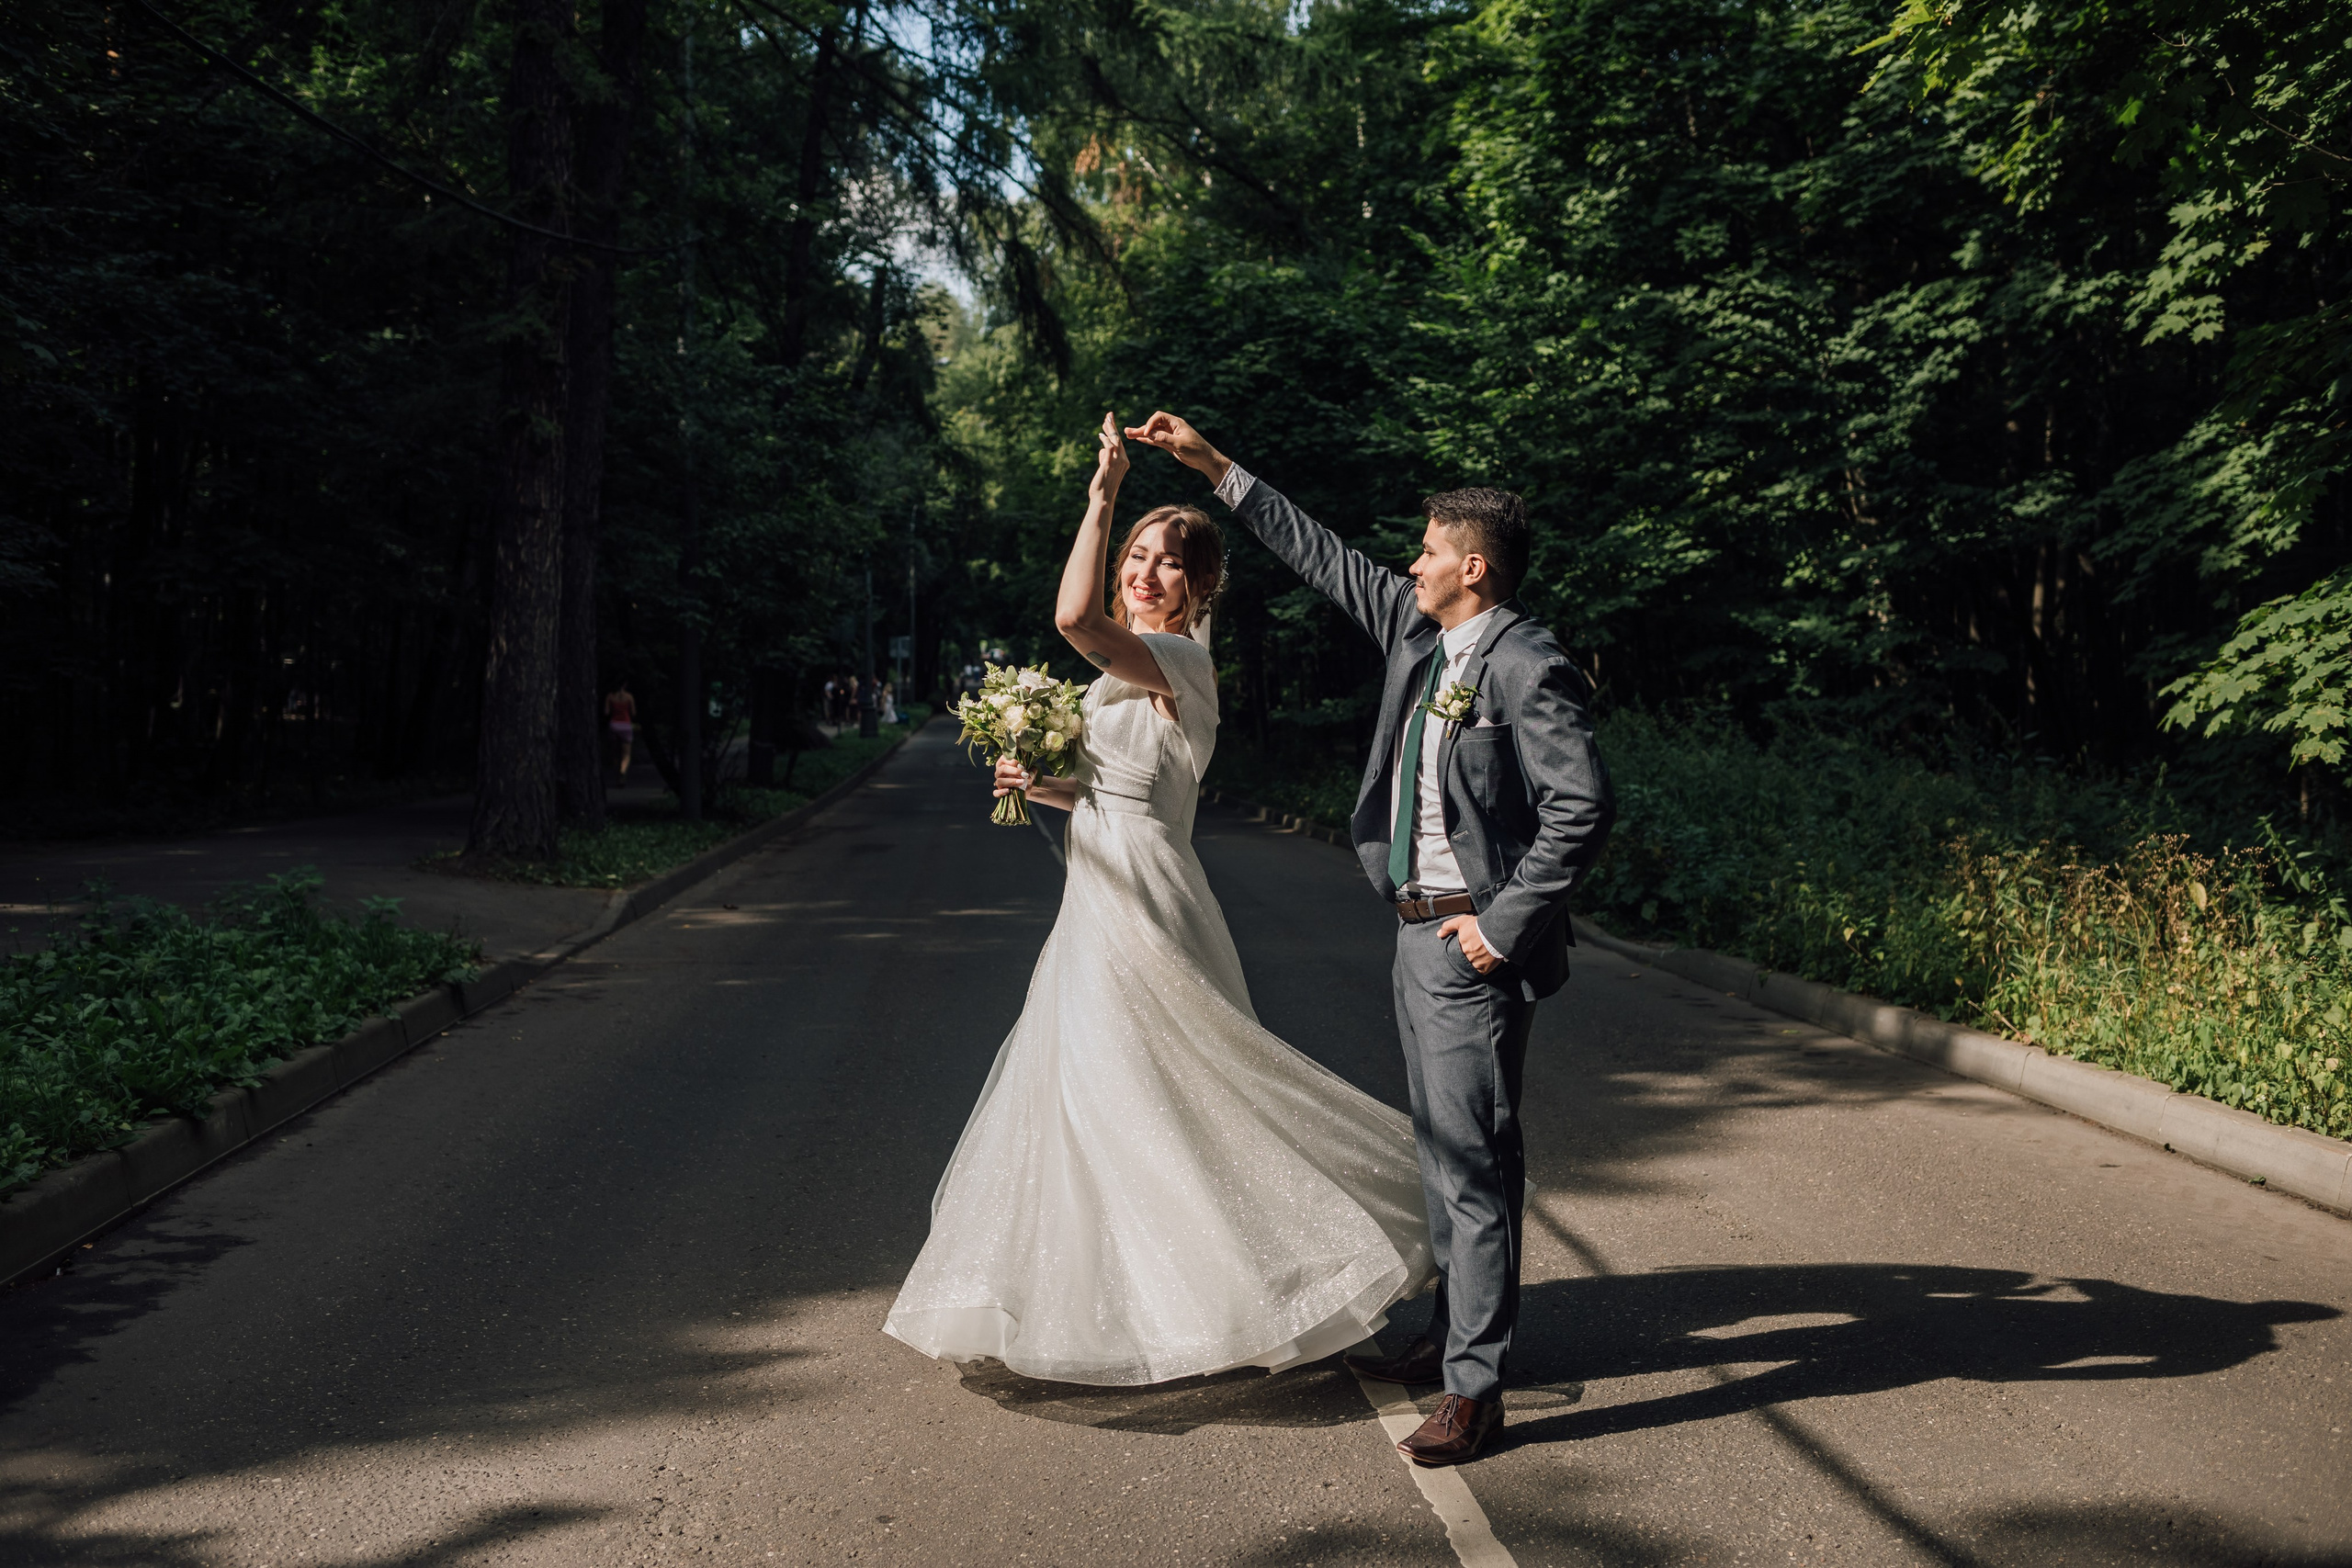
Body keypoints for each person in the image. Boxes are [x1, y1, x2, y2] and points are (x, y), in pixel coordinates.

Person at [884, 412, 1435, 1389]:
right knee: (1102, 1097)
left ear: (1201, 586)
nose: (1144, 573)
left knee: (1165, 1090)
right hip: (1095, 891)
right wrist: (1032, 781)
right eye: (1136, 554)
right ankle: (1146, 1299)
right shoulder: (1126, 677)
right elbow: (1106, 791)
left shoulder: (1178, 663)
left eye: (1167, 563)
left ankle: (1327, 1259)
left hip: (1144, 896)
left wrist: (1100, 496)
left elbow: (1072, 622)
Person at [1122, 410, 1614, 1466]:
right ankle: (1450, 1337)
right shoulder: (1419, 630)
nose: (1411, 560)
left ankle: (1473, 1394)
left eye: (1429, 549)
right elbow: (1320, 552)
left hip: (1468, 942)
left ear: (1471, 569)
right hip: (1413, 931)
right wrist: (1213, 467)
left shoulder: (1527, 665)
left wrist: (1502, 926)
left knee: (1471, 1162)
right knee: (1448, 1153)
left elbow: (1581, 806)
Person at [604, 682, 637, 780]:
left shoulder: (610, 696)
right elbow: (634, 713)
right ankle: (622, 771)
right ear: (625, 685)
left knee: (615, 753)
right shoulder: (629, 697)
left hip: (614, 725)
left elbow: (606, 712)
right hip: (625, 725)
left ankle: (616, 774)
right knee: (626, 754)